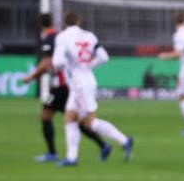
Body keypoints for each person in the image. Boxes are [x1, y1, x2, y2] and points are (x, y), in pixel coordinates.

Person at [22, 13, 108, 163]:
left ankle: (54, 154)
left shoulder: (52, 38)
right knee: (74, 120)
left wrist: (32, 77)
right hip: (65, 85)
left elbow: (48, 62)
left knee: (47, 115)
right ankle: (102, 145)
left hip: (61, 87)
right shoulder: (59, 36)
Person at [52, 12, 134, 166]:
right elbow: (103, 56)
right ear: (79, 21)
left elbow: (57, 62)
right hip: (88, 78)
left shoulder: (62, 37)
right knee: (70, 117)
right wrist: (88, 66)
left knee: (88, 122)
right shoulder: (90, 36)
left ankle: (124, 140)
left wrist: (62, 67)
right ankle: (71, 158)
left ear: (64, 22)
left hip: (78, 83)